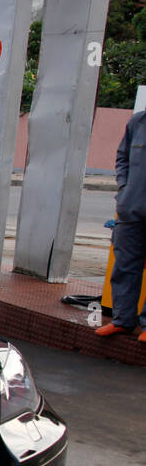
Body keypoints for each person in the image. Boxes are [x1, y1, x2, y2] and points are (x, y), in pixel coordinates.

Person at [97, 111, 146, 341]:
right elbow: (122, 157)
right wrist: (124, 188)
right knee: (125, 265)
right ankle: (122, 320)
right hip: (131, 208)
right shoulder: (138, 122)